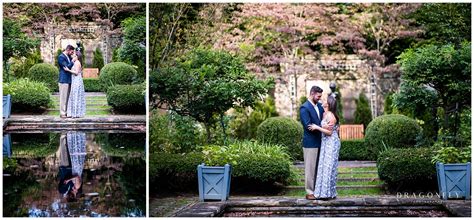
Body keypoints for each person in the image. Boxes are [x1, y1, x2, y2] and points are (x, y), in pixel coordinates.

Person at [299, 86, 333, 200]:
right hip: (310, 144)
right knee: (310, 169)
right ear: (312, 93)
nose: (319, 99)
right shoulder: (304, 108)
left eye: (320, 96)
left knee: (318, 168)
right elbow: (308, 126)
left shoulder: (319, 106)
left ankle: (317, 190)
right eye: (318, 96)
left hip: (322, 143)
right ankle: (309, 192)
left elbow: (326, 117)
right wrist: (322, 126)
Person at [309, 95, 341, 200]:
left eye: (325, 100)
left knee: (328, 167)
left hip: (331, 143)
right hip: (325, 143)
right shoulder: (324, 114)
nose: (322, 100)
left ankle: (327, 193)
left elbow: (329, 132)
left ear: (328, 103)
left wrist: (317, 127)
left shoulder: (331, 116)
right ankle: (322, 192)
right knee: (323, 166)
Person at [57, 131, 86, 201]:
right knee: (70, 150)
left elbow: (64, 181)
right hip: (72, 167)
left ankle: (63, 136)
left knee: (64, 151)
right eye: (74, 195)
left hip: (65, 168)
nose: (73, 194)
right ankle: (69, 136)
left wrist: (69, 181)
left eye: (72, 195)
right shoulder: (74, 187)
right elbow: (76, 177)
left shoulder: (63, 191)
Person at [63, 50, 86, 118]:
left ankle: (75, 113)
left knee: (75, 96)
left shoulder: (77, 63)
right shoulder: (75, 62)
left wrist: (68, 70)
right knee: (74, 96)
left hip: (77, 81)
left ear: (77, 56)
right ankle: (74, 113)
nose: (72, 55)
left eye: (74, 54)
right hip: (75, 80)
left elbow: (76, 73)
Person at [58, 45, 75, 118]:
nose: (72, 53)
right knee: (63, 97)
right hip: (63, 80)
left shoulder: (68, 56)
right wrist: (72, 61)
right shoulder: (61, 57)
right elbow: (66, 67)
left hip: (69, 80)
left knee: (68, 97)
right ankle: (62, 113)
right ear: (68, 50)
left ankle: (67, 112)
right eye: (72, 51)